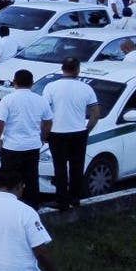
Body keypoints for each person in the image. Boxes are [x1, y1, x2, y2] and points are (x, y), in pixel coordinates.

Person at [42, 57, 99, 210]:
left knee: (60, 167)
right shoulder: (86, 88)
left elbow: (45, 113)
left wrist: (44, 133)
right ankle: (75, 197)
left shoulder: (50, 87)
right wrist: (87, 130)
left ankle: (61, 200)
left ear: (62, 68)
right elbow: (95, 114)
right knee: (77, 166)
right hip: (79, 132)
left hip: (57, 133)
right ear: (77, 69)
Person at [0, 69, 52, 209]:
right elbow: (48, 121)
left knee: (8, 181)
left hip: (11, 148)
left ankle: (7, 208)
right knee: (31, 180)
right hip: (32, 147)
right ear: (32, 83)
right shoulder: (40, 100)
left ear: (14, 82)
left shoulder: (8, 99)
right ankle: (32, 208)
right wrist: (43, 137)